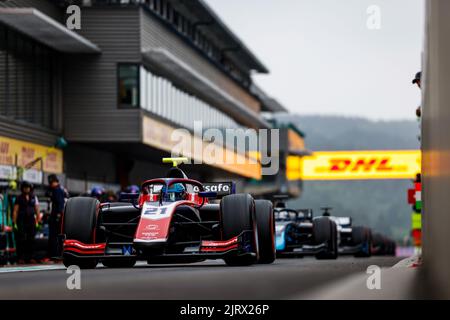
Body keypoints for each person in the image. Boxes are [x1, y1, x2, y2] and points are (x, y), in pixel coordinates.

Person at [12, 182, 41, 264]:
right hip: (21, 220)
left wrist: (38, 220)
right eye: (25, 187)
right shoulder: (19, 198)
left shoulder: (33, 197)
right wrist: (14, 222)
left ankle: (31, 257)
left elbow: (37, 209)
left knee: (31, 239)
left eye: (28, 187)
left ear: (30, 188)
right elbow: (15, 210)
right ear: (22, 188)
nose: (26, 189)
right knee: (21, 239)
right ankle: (20, 258)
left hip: (31, 220)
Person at [46, 174, 67, 260]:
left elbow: (60, 203)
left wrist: (58, 215)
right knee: (56, 236)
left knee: (54, 236)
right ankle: (56, 254)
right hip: (57, 216)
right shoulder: (60, 189)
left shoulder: (57, 190)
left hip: (56, 217)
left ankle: (55, 255)